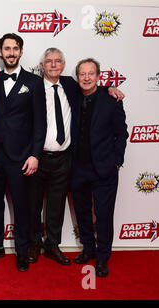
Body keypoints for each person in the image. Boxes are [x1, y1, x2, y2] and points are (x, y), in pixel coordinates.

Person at [27, 48, 125, 266]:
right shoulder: (35, 87)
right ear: (42, 66)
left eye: (58, 61)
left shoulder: (74, 87)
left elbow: (121, 132)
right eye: (49, 61)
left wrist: (117, 161)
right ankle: (40, 245)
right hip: (51, 160)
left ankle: (90, 255)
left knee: (64, 207)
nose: (53, 65)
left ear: (63, 65)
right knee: (37, 206)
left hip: (77, 162)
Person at [0, 33, 47, 271]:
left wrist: (35, 154)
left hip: (21, 157)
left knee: (22, 206)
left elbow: (41, 123)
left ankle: (22, 250)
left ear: (21, 51)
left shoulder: (34, 82)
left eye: (15, 48)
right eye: (6, 48)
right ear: (0, 52)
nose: (10, 52)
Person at [70, 58, 128, 277]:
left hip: (104, 168)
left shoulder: (111, 99)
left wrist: (116, 161)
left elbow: (121, 133)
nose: (86, 78)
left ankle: (103, 257)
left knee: (104, 214)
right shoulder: (73, 95)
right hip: (78, 167)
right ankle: (88, 248)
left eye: (91, 74)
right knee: (83, 211)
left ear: (98, 76)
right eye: (82, 74)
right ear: (77, 77)